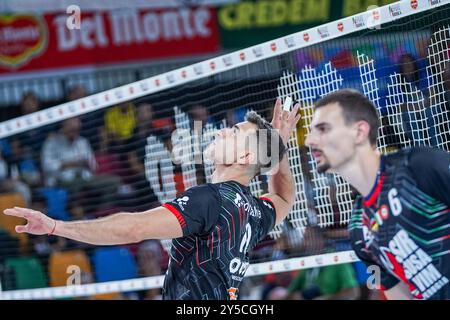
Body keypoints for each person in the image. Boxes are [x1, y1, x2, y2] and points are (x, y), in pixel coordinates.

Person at [3, 98, 300, 300]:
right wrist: (278, 145)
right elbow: (285, 197)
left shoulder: (210, 200)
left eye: (234, 132)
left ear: (246, 156)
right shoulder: (254, 211)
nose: (222, 131)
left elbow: (133, 229)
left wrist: (56, 227)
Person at [304, 89, 450, 300]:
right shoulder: (358, 228)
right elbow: (398, 294)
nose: (310, 140)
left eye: (323, 129)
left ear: (360, 132)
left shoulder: (417, 165)